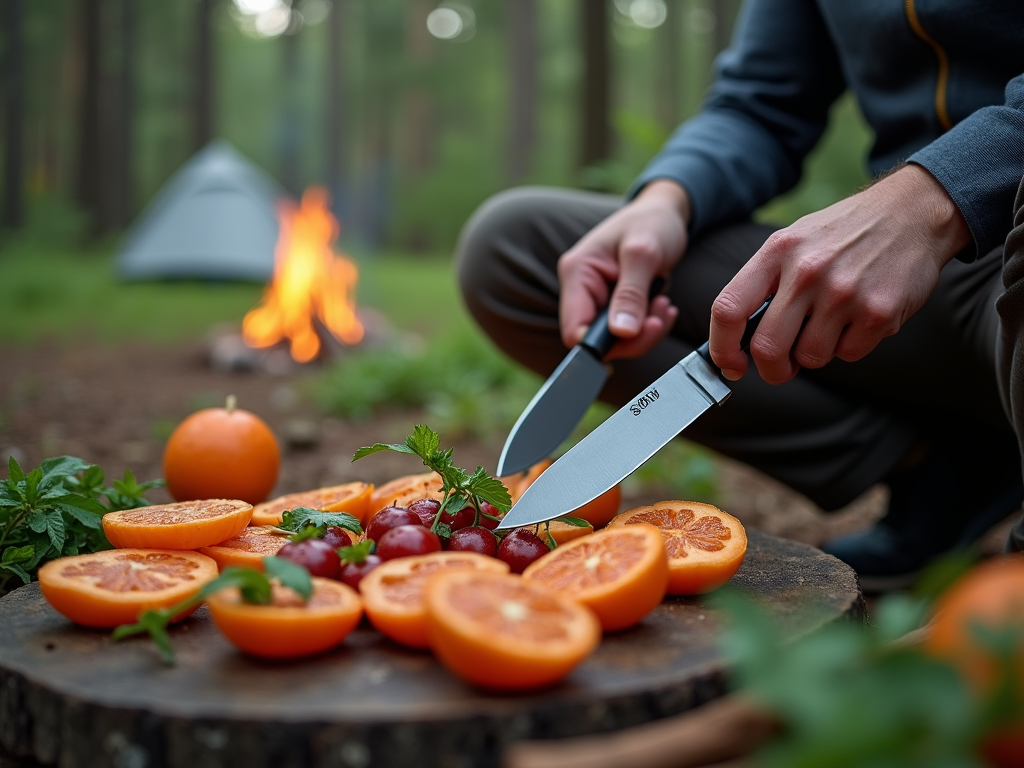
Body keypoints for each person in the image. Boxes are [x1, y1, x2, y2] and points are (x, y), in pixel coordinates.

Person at [455, 0, 1024, 591]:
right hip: (904, 287)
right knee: (516, 247)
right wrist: (665, 201)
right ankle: (948, 471)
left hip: (1004, 236)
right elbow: (760, 103)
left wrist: (936, 195)